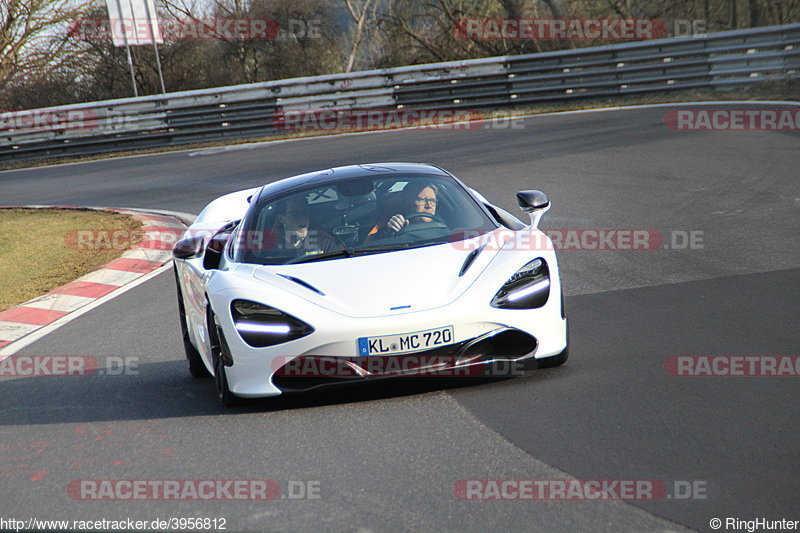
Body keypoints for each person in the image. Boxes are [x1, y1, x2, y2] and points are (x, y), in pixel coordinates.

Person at [367, 182, 441, 239]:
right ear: (407, 203)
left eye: (433, 200)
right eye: (422, 200)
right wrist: (388, 232)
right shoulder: (395, 225)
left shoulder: (445, 227)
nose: (429, 205)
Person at [274, 196, 338, 253]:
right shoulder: (270, 246)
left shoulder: (324, 244)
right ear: (281, 218)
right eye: (296, 213)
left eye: (305, 212)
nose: (303, 218)